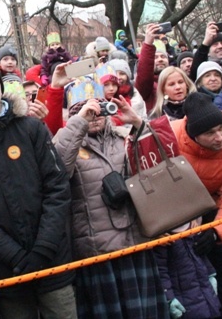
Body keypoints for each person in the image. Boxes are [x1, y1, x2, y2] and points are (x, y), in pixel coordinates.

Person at [0, 46, 76, 319]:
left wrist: (43, 247)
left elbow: (57, 187)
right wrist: (14, 255)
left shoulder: (31, 128)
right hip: (7, 270)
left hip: (51, 258)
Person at [53, 96, 170, 318]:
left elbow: (160, 160)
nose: (95, 116)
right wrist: (80, 122)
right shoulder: (66, 140)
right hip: (97, 249)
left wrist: (136, 122)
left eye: (100, 109)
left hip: (135, 241)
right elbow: (58, 172)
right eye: (88, 110)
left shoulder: (123, 137)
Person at [171, 92, 222, 318]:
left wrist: (217, 231)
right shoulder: (170, 135)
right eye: (209, 133)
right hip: (172, 211)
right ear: (194, 135)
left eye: (221, 129)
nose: (219, 138)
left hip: (212, 210)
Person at [135, 23, 171, 112]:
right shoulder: (146, 86)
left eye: (163, 57)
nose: (160, 60)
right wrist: (148, 43)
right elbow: (145, 75)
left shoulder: (177, 78)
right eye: (155, 57)